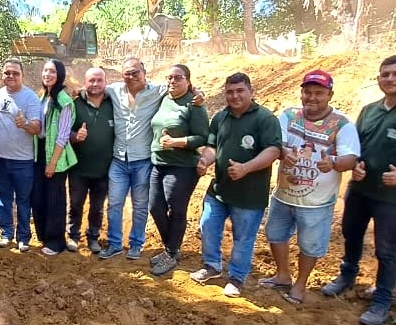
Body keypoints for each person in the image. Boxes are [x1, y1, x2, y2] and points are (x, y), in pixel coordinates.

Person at [322, 55, 396, 325]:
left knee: (386, 249)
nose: (390, 79)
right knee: (350, 234)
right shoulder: (369, 110)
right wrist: (357, 167)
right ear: (378, 78)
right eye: (385, 74)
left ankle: (382, 301)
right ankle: (347, 276)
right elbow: (355, 147)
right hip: (360, 188)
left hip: (393, 196)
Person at [260, 70, 361, 305]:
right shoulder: (289, 115)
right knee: (275, 234)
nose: (312, 97)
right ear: (302, 93)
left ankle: (300, 284)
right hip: (284, 194)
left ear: (330, 95)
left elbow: (351, 158)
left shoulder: (342, 124)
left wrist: (334, 162)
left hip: (317, 200)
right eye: (308, 92)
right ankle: (283, 275)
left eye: (319, 93)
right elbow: (277, 142)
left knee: (310, 244)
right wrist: (284, 152)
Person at [99, 58, 201, 261]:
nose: (132, 76)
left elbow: (180, 84)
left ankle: (137, 244)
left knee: (140, 205)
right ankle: (115, 244)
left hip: (143, 160)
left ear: (144, 72)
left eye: (135, 72)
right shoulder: (114, 90)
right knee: (114, 204)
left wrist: (198, 93)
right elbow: (92, 88)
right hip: (118, 159)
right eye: (127, 73)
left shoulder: (158, 91)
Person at [191, 73, 282, 297]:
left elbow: (273, 151)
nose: (234, 96)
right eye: (230, 92)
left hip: (249, 195)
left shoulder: (265, 119)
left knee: (243, 238)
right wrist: (205, 160)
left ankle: (237, 277)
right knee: (207, 226)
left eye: (240, 91)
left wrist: (246, 168)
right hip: (219, 189)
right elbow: (212, 147)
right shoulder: (221, 117)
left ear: (250, 91)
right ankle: (212, 265)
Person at [147, 64, 210, 276]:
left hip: (182, 166)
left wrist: (177, 142)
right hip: (158, 163)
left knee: (176, 210)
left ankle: (171, 253)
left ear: (188, 81)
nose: (172, 81)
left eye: (178, 78)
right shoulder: (164, 97)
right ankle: (171, 250)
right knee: (155, 207)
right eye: (170, 77)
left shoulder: (195, 105)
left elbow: (203, 137)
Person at [0, 58, 42, 251]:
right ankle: (5, 233)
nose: (10, 76)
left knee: (23, 199)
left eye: (15, 73)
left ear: (22, 75)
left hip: (23, 161)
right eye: (7, 73)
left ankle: (23, 237)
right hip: (1, 159)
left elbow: (37, 127)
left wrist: (25, 124)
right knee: (3, 197)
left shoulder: (30, 98)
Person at [30, 59, 77, 255]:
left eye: (52, 71)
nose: (48, 74)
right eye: (45, 71)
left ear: (59, 76)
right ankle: (43, 236)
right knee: (38, 197)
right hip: (39, 153)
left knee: (55, 199)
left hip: (55, 156)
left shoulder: (64, 101)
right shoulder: (43, 97)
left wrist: (52, 162)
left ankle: (56, 240)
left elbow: (63, 134)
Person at [67, 67, 115, 254]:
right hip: (78, 167)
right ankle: (73, 236)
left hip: (104, 169)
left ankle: (93, 237)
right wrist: (75, 136)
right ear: (84, 82)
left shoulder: (113, 104)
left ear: (105, 82)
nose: (95, 84)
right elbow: (63, 131)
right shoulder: (75, 103)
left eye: (99, 80)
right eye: (91, 80)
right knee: (76, 204)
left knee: (97, 206)